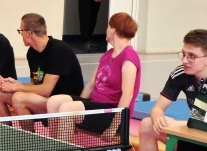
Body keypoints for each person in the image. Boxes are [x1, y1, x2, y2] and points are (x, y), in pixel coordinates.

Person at [138, 29, 207, 151]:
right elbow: (157, 109)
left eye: (192, 56)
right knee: (147, 125)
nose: (185, 60)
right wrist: (158, 119)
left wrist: (181, 125)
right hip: (196, 138)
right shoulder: (180, 74)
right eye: (183, 54)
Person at [47, 13, 141, 141]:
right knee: (54, 102)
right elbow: (91, 84)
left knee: (66, 109)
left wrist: (113, 127)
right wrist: (79, 103)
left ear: (113, 30)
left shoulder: (129, 56)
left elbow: (127, 95)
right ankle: (54, 146)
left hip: (112, 113)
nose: (106, 30)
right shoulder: (108, 54)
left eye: (108, 26)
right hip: (95, 105)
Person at [0, 13, 83, 119]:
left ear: (29, 33)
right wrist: (16, 83)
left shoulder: (59, 50)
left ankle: (28, 131)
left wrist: (14, 87)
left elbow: (46, 90)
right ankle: (7, 129)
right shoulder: (32, 53)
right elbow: (35, 84)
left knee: (19, 98)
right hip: (46, 99)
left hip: (65, 103)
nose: (21, 34)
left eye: (21, 31)